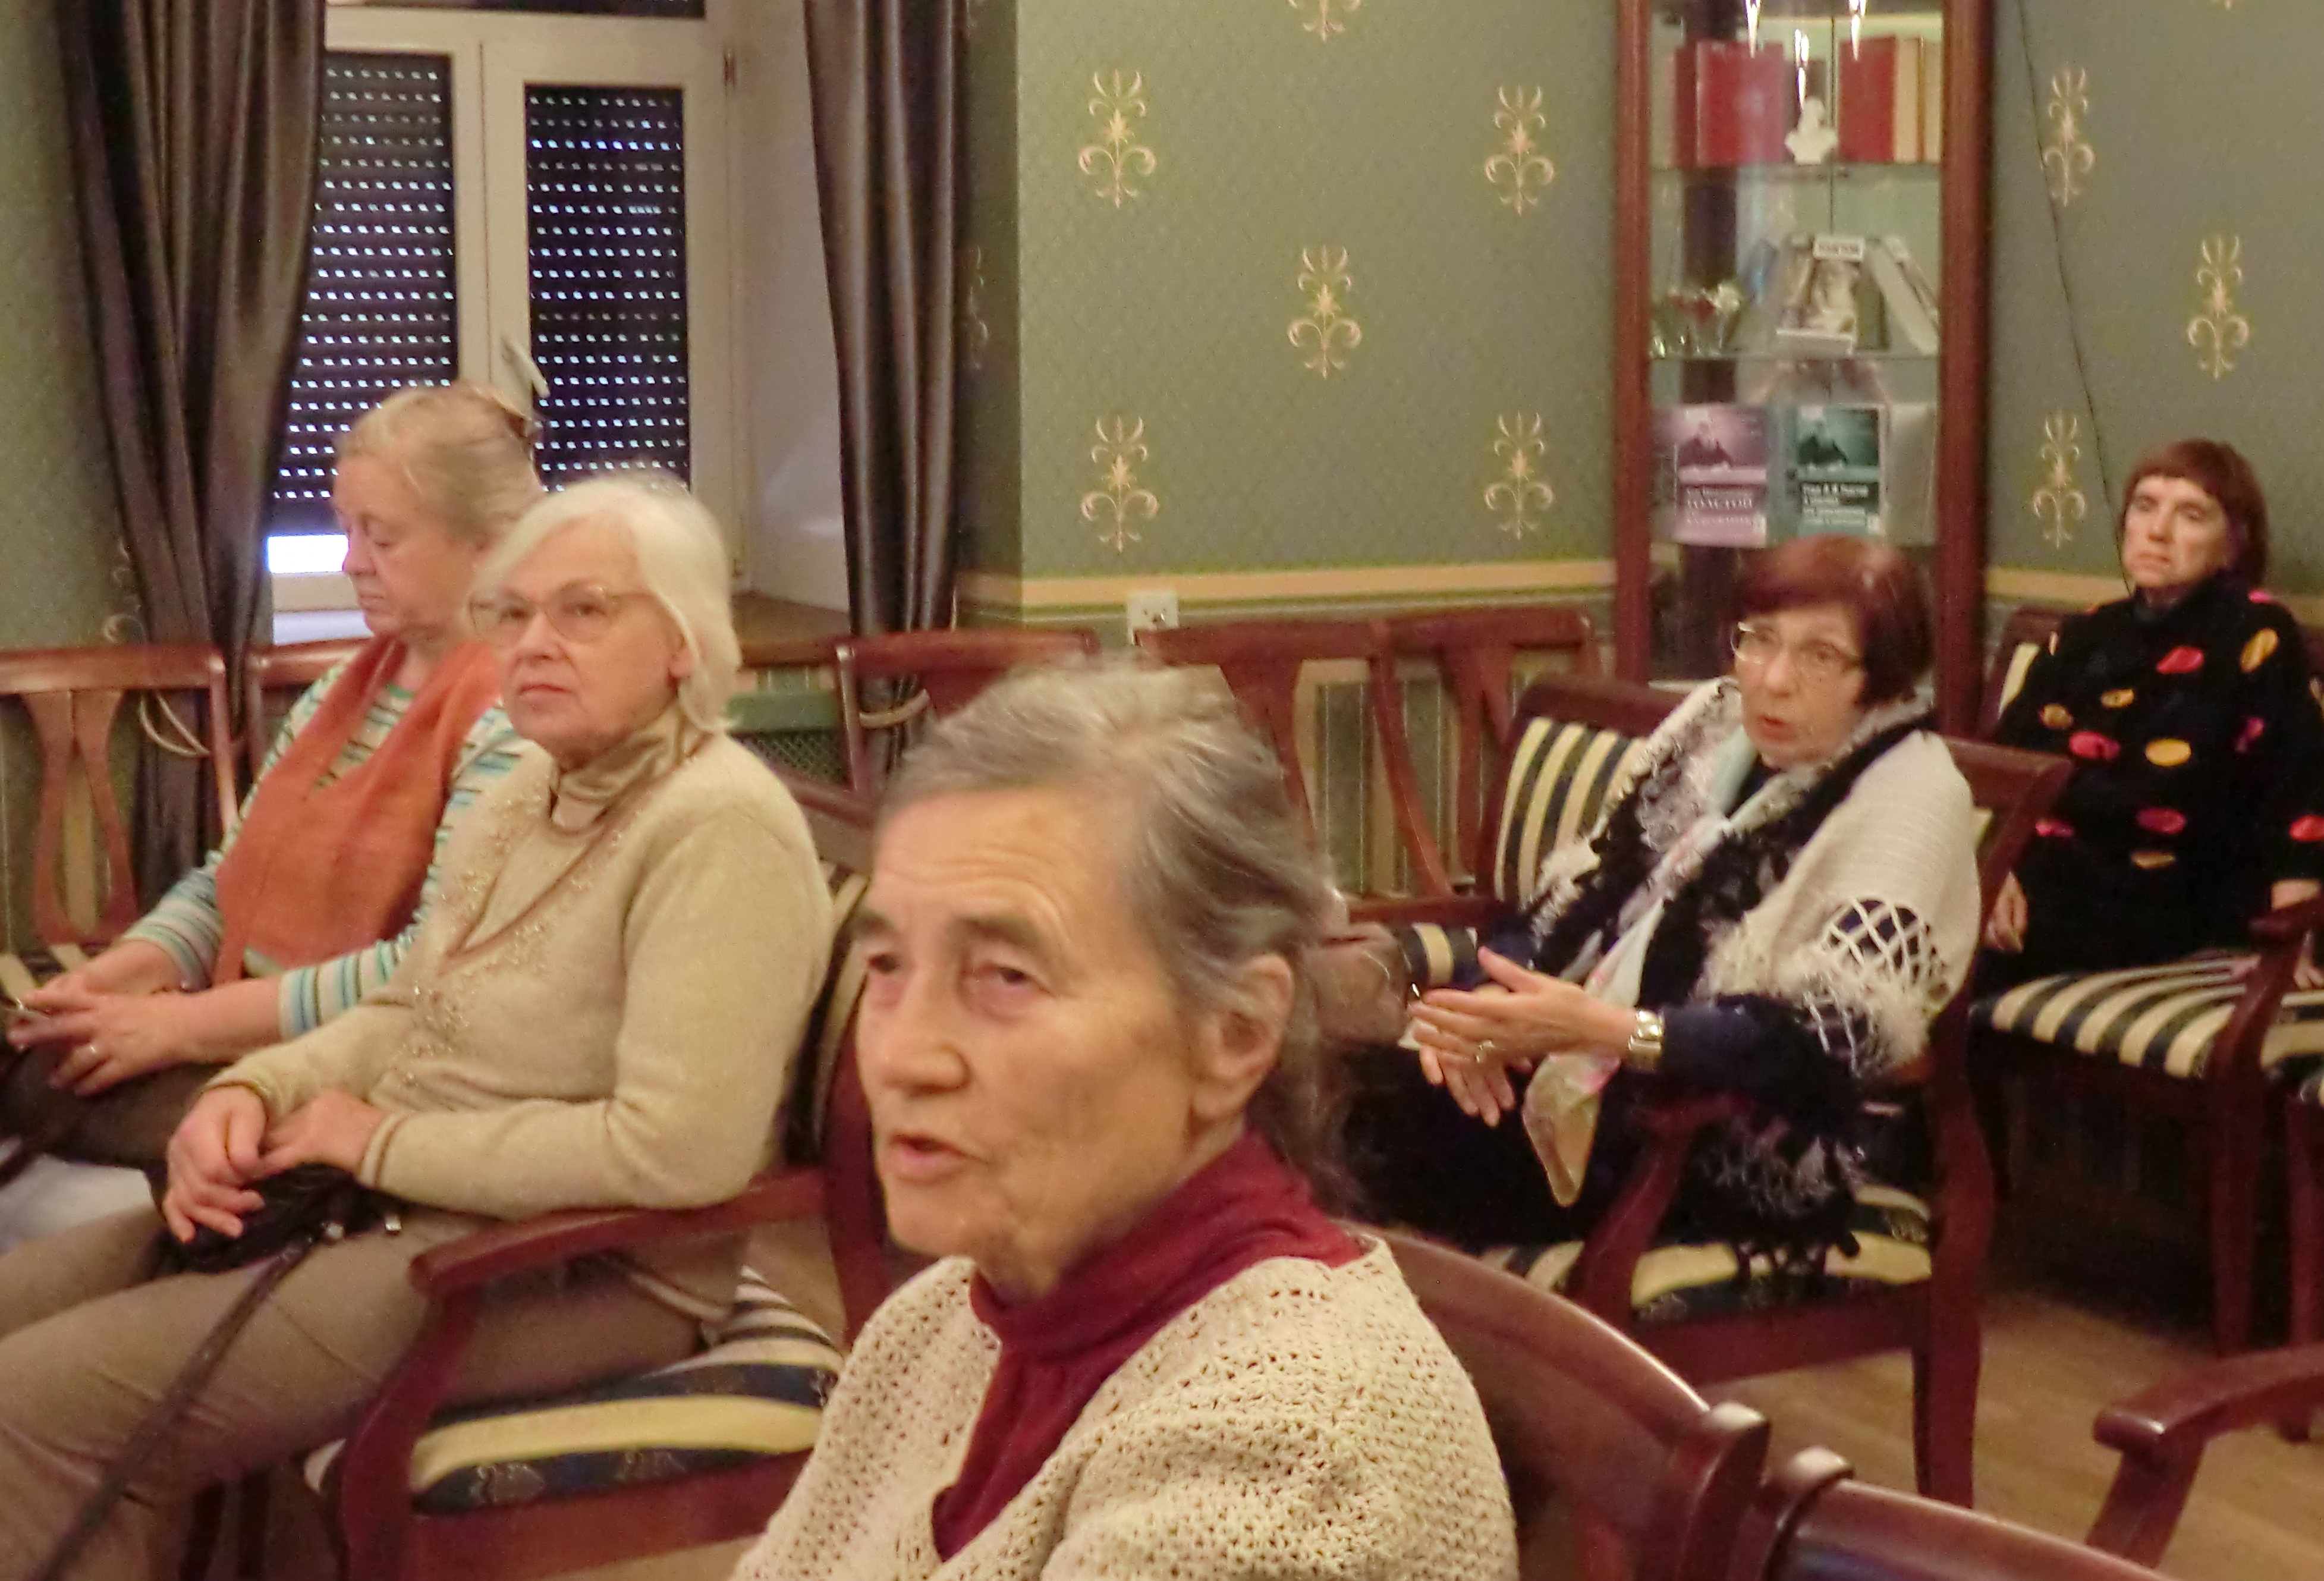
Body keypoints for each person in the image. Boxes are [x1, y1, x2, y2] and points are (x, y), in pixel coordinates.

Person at [0, 477, 834, 1577]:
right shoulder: (527, 791)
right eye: (513, 613)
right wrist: (250, 1092)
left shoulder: (718, 829)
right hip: (394, 1208)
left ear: (684, 642)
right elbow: (404, 1007)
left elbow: (680, 1150)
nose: (532, 643)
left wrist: (375, 1141)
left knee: (34, 1409)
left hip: (583, 1271)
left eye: (583, 610)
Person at [735, 664, 1515, 1581]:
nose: (904, 1055)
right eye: (887, 965)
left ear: (1234, 1034)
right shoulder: (945, 1316)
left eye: (1006, 976)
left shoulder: (1287, 1467)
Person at [1328, 536, 1980, 1264]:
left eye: (1820, 656)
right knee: (1310, 1091)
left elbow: (1817, 1042)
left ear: (1883, 677)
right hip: (1584, 1070)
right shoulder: (1713, 722)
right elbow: (1578, 898)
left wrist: (1609, 1030)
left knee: (1334, 1133)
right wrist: (1480, 1013)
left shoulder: (1914, 796)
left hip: (1715, 1138)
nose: (1773, 679)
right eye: (1759, 640)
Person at [0, 384, 539, 1228]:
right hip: (243, 1041)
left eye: (382, 536)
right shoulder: (342, 690)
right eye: (346, 528)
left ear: (490, 545)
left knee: (63, 1090)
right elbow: (227, 883)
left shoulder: (517, 719)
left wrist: (181, 1028)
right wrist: (127, 970)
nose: (351, 561)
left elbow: (420, 968)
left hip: (361, 1073)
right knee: (38, 1046)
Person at [1985, 439, 2324, 985]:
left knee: (1931, 940)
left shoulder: (2256, 634)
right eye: (2145, 506)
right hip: (2038, 876)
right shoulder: (2085, 633)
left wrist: (2290, 943)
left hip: (2159, 897)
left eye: (2190, 514)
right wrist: (1994, 871)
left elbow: (2299, 793)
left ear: (2233, 545)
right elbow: (2004, 767)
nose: (2157, 530)